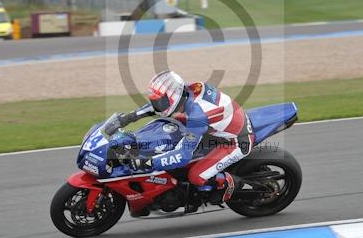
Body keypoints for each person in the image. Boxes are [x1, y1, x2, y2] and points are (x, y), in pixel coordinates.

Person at [103, 70, 253, 204]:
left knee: (195, 176)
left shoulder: (197, 116)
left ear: (173, 97)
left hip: (237, 141)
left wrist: (147, 163)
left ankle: (228, 185)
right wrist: (128, 118)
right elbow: (156, 108)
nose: (156, 104)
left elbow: (182, 156)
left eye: (159, 101)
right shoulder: (185, 91)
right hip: (219, 126)